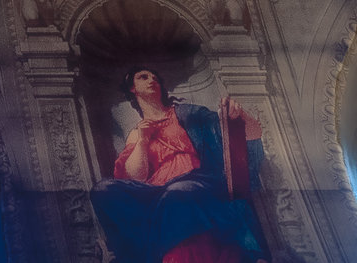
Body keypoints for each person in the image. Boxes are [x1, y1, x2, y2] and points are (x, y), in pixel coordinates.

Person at [90, 69, 262, 263]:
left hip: (197, 183)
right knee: (102, 191)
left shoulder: (189, 114)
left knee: (178, 192)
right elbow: (136, 177)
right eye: (143, 77)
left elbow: (245, 133)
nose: (152, 79)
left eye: (155, 77)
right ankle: (129, 252)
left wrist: (237, 115)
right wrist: (143, 140)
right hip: (156, 192)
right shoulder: (136, 134)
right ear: (132, 88)